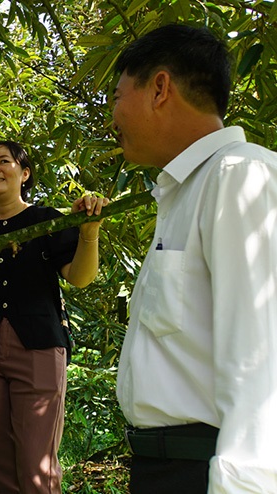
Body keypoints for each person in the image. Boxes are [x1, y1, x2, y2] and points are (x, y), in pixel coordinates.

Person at [112, 24, 277, 493]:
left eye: (118, 97)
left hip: (204, 471)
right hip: (166, 469)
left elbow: (260, 359)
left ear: (159, 88)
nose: (113, 117)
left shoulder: (239, 178)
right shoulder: (184, 195)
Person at [0, 140, 108, 494]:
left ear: (24, 173)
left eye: (3, 161)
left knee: (38, 466)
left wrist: (89, 232)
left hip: (38, 348)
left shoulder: (46, 220)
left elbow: (79, 277)